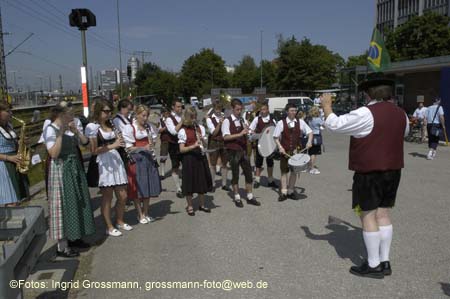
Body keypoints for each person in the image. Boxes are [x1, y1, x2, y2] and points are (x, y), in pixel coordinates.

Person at [322, 79, 409, 279]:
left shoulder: (365, 113)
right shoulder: (401, 113)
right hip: (393, 170)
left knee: (367, 215)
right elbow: (403, 134)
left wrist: (327, 107)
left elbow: (335, 125)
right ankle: (385, 261)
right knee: (384, 214)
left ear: (368, 95)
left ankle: (373, 264)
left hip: (370, 172)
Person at [44, 105, 95, 257]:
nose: (73, 118)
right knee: (63, 206)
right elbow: (53, 153)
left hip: (74, 169)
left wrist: (77, 132)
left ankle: (75, 237)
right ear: (61, 115)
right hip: (61, 171)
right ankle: (62, 247)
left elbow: (85, 143)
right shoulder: (51, 129)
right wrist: (60, 134)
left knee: (78, 203)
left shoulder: (70, 128)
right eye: (70, 115)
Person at [85, 99, 131, 237]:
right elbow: (93, 150)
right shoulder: (92, 127)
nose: (109, 114)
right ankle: (109, 226)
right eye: (106, 111)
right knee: (107, 196)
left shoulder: (112, 124)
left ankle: (119, 220)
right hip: (103, 163)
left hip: (115, 160)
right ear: (99, 111)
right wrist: (113, 145)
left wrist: (120, 143)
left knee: (123, 195)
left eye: (110, 111)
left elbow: (118, 142)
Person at [123, 104, 161, 224]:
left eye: (147, 115)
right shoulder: (130, 128)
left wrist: (151, 145)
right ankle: (139, 214)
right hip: (137, 160)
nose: (145, 118)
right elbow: (128, 148)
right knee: (138, 188)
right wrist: (142, 148)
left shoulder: (149, 127)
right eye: (143, 115)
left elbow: (153, 143)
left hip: (148, 159)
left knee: (148, 186)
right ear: (137, 115)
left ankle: (145, 212)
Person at [222, 99, 260, 208]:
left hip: (243, 150)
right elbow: (225, 137)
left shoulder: (242, 119)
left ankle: (250, 196)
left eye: (240, 109)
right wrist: (239, 134)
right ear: (232, 109)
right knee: (235, 174)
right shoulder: (227, 121)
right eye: (237, 109)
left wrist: (249, 133)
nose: (239, 111)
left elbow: (246, 134)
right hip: (233, 151)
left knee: (248, 173)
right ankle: (237, 197)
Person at [273, 103, 313, 201]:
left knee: (294, 172)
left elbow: (310, 132)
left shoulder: (301, 122)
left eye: (295, 110)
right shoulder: (281, 123)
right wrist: (280, 147)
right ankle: (283, 192)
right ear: (287, 111)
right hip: (284, 150)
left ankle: (290, 191)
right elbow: (275, 137)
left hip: (296, 151)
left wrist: (309, 141)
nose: (294, 112)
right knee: (284, 172)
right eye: (291, 110)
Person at [178, 107, 213, 216]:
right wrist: (193, 146)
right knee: (189, 182)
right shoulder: (183, 130)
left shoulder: (200, 128)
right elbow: (181, 149)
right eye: (191, 117)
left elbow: (206, 145)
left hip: (200, 157)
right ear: (187, 117)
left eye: (195, 117)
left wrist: (202, 140)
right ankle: (190, 206)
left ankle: (202, 205)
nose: (194, 119)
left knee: (201, 181)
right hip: (189, 158)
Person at [0, 102, 29, 206]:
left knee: (17, 200)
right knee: (10, 202)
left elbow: (13, 143)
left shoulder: (9, 126)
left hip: (13, 163)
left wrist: (21, 142)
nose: (11, 113)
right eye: (7, 111)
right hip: (3, 166)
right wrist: (9, 158)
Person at [248, 102, 277, 188]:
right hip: (260, 144)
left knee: (270, 163)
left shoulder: (273, 119)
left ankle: (270, 180)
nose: (262, 111)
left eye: (264, 109)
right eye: (261, 110)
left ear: (268, 110)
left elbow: (276, 130)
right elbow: (250, 130)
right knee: (258, 163)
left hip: (270, 145)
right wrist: (256, 134)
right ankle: (257, 180)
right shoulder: (257, 119)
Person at [206, 102, 230, 191]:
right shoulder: (209, 119)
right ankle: (212, 183)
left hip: (224, 141)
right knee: (212, 164)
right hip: (213, 142)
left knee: (224, 163)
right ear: (214, 108)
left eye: (220, 108)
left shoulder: (225, 116)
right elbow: (214, 133)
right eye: (216, 108)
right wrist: (220, 123)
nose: (218, 110)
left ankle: (224, 184)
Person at [165, 99, 184, 198]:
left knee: (186, 164)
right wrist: (182, 122)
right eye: (178, 106)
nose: (180, 108)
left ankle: (186, 185)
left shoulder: (182, 116)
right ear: (173, 107)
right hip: (174, 145)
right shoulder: (169, 119)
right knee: (175, 166)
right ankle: (178, 188)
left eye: (181, 106)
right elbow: (173, 132)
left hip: (184, 144)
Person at [307, 106, 324, 174]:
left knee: (310, 152)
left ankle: (309, 166)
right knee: (314, 153)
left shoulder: (309, 119)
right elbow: (324, 125)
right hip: (316, 135)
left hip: (310, 135)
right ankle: (312, 168)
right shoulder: (318, 119)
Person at [158, 108, 171, 178]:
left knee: (174, 156)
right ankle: (162, 173)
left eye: (167, 113)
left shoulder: (171, 119)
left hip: (172, 140)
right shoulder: (160, 121)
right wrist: (165, 127)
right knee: (163, 156)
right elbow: (159, 130)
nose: (166, 114)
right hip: (164, 140)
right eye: (165, 113)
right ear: (163, 113)